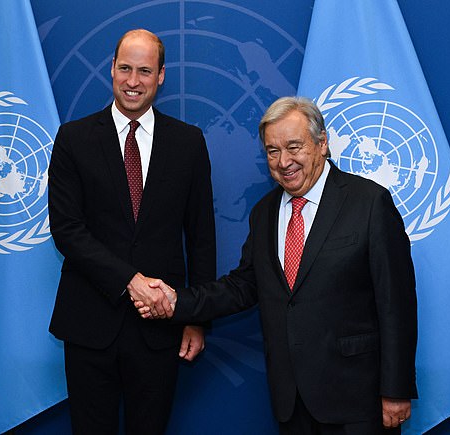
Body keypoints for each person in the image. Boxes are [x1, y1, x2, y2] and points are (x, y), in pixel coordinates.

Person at [137, 97, 417, 434]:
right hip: (291, 403)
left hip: (358, 402)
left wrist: (396, 389)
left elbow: (396, 304)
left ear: (322, 143)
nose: (284, 161)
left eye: (294, 147)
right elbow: (243, 286)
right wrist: (176, 302)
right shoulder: (265, 212)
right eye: (272, 151)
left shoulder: (369, 203)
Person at [48, 29, 216, 434]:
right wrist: (130, 281)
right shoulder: (73, 139)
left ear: (160, 76)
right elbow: (68, 230)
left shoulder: (188, 143)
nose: (132, 81)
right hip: (89, 324)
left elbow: (201, 236)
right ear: (111, 70)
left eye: (144, 70)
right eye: (125, 68)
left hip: (161, 328)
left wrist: (197, 317)